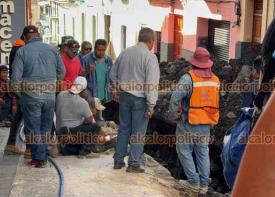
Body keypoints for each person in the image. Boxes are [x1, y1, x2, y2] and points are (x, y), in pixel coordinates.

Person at [11, 25, 65, 168]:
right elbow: (62, 72)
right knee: (46, 127)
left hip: (31, 96)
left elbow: (15, 79)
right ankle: (43, 155)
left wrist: (20, 94)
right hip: (49, 96)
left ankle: (39, 159)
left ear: (24, 37)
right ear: (38, 35)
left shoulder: (22, 51)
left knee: (33, 128)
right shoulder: (52, 50)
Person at [169, 47, 220, 195]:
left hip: (188, 122)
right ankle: (204, 185)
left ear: (194, 63)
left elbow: (175, 98)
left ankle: (193, 182)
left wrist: (174, 115)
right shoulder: (215, 80)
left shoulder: (188, 78)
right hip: (206, 122)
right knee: (203, 152)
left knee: (184, 151)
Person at [110, 27, 160, 173]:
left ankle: (118, 161)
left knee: (124, 128)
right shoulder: (150, 57)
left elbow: (112, 74)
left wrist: (116, 87)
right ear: (151, 41)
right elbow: (151, 83)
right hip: (140, 100)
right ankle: (133, 163)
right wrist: (151, 105)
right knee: (138, 132)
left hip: (124, 96)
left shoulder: (125, 52)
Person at [56, 77, 102, 158]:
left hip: (60, 132)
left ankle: (65, 149)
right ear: (83, 90)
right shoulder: (82, 102)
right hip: (71, 133)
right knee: (95, 127)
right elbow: (90, 120)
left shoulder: (60, 94)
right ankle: (85, 151)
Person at [4, 36, 26, 155]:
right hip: (21, 87)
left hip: (19, 86)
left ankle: (11, 143)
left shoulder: (17, 47)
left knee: (20, 114)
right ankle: (13, 144)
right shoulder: (20, 49)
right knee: (23, 114)